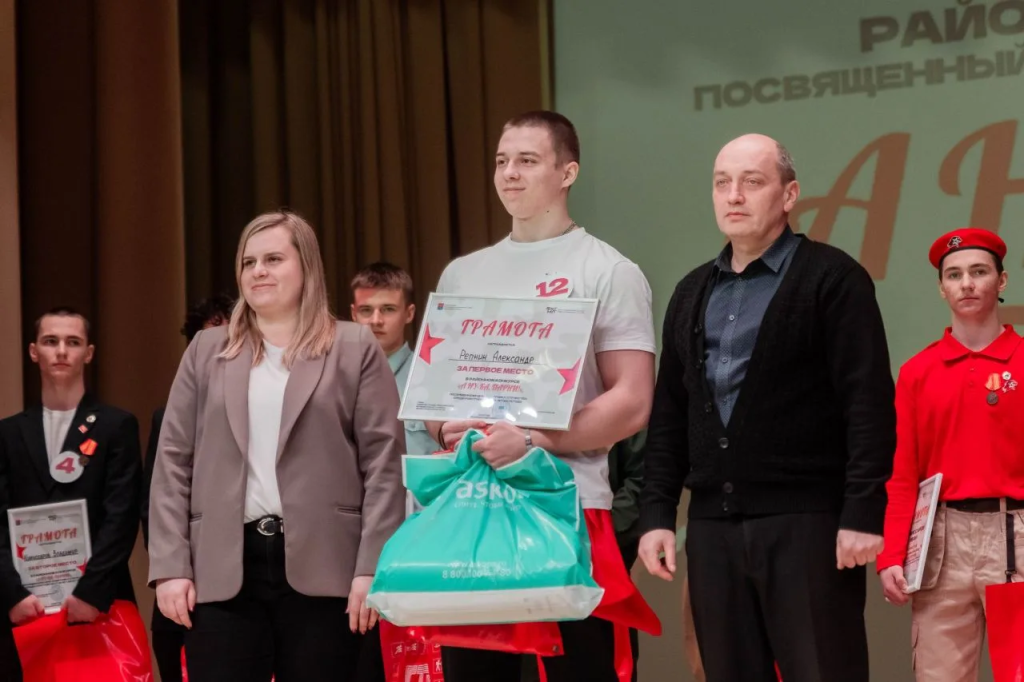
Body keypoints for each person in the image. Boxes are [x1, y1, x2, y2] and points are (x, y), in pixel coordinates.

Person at [638, 133, 897, 682]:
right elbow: (670, 414)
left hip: (808, 525)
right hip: (711, 528)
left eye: (752, 182)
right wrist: (657, 513)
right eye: (722, 183)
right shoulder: (690, 291)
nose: (734, 195)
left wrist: (863, 511)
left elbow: (868, 403)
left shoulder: (834, 278)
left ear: (789, 195)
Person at [427, 110, 659, 682]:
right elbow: (434, 399)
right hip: (475, 513)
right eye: (502, 161)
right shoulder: (462, 274)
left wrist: (531, 439)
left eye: (527, 160)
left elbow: (633, 400)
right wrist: (446, 428)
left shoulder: (608, 270)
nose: (509, 173)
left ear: (567, 173)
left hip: (566, 513)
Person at [147, 211, 406, 682]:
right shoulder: (205, 350)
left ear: (306, 266)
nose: (258, 271)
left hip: (327, 567)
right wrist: (170, 567)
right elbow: (172, 464)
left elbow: (384, 466)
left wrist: (373, 568)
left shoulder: (354, 346)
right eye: (248, 262)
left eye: (272, 259)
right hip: (222, 569)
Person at [877, 228, 1024, 681]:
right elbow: (903, 476)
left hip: (1017, 533)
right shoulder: (917, 372)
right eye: (954, 275)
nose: (967, 284)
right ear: (942, 287)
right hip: (941, 544)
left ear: (1001, 280)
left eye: (979, 272)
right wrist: (891, 555)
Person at [0, 307, 142, 681]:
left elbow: (122, 516)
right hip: (22, 609)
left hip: (97, 605)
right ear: (34, 352)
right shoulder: (7, 434)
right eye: (51, 341)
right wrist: (12, 595)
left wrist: (91, 593)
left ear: (89, 353)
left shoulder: (116, 426)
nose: (61, 350)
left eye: (73, 342)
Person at [140, 293, 234, 682]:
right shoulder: (169, 416)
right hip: (185, 576)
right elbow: (155, 500)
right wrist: (173, 569)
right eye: (207, 339)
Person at [350, 262, 437, 459]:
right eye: (366, 310)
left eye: (388, 309)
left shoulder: (432, 380)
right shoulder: (336, 381)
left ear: (409, 313)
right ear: (354, 314)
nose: (376, 320)